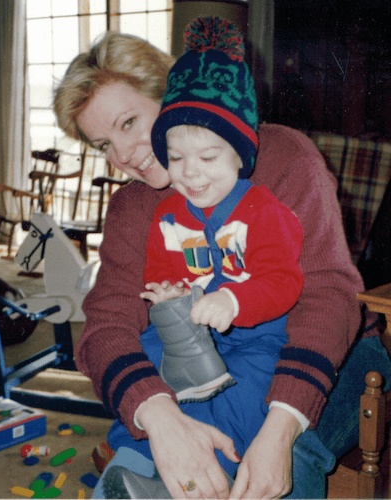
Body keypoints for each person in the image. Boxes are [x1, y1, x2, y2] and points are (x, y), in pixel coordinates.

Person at [53, 22, 391, 500]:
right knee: (148, 450)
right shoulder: (134, 207)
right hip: (205, 360)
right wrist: (162, 419)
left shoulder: (282, 156)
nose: (123, 155)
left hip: (333, 350)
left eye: (128, 123)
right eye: (103, 144)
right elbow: (106, 327)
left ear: (170, 95)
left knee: (282, 460)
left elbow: (328, 298)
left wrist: (283, 425)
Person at [137, 17, 303, 414]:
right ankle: (137, 459)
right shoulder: (167, 216)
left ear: (239, 157)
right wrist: (169, 293)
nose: (189, 171)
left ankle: (221, 464)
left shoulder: (263, 210)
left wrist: (233, 300)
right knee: (149, 367)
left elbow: (284, 281)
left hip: (253, 333)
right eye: (175, 158)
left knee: (246, 395)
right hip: (188, 328)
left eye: (207, 157)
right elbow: (157, 272)